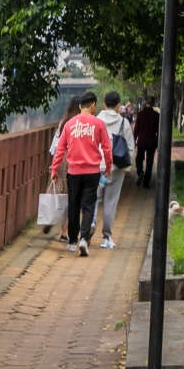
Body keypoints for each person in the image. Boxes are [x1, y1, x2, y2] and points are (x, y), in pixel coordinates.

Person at [49, 90, 112, 257]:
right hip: (92, 172)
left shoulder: (70, 124)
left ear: (79, 106)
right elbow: (107, 148)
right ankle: (84, 239)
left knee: (74, 205)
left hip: (73, 172)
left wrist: (54, 169)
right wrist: (108, 167)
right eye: (94, 106)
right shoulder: (98, 124)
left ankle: (72, 241)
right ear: (92, 105)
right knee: (88, 205)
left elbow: (60, 149)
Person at [96, 89, 135, 249]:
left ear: (104, 104)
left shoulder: (96, 120)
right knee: (110, 202)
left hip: (97, 166)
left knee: (94, 199)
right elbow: (131, 147)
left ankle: (88, 229)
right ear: (119, 105)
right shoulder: (123, 123)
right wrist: (126, 167)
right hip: (116, 167)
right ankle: (106, 236)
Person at [132, 98, 159, 188]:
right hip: (152, 141)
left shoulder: (140, 114)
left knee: (139, 158)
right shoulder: (156, 115)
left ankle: (140, 172)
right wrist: (158, 142)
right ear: (153, 104)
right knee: (150, 162)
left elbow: (136, 129)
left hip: (142, 141)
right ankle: (146, 183)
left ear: (146, 103)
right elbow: (158, 131)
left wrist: (134, 140)